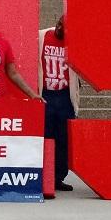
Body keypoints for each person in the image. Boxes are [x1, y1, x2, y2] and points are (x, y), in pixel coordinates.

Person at [40, 15, 79, 193]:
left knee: (63, 139)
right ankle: (44, 176)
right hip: (46, 94)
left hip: (65, 96)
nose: (58, 29)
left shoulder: (76, 44)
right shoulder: (42, 36)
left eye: (63, 28)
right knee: (46, 137)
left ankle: (58, 177)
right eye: (58, 25)